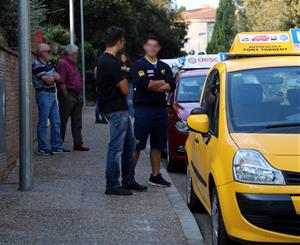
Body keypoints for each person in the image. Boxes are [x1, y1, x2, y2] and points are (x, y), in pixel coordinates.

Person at [97, 26, 147, 195]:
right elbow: (125, 89)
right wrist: (125, 79)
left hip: (117, 109)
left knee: (129, 145)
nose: (124, 43)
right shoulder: (111, 62)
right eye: (123, 41)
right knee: (116, 148)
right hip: (116, 109)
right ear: (119, 42)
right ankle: (112, 184)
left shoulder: (104, 60)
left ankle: (128, 180)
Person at [132, 36, 176, 187]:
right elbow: (145, 84)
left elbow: (171, 86)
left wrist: (155, 84)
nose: (152, 48)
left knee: (158, 144)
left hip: (160, 110)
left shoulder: (164, 66)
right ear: (145, 47)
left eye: (155, 46)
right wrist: (162, 82)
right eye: (149, 46)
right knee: (137, 144)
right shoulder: (139, 65)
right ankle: (128, 176)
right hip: (143, 109)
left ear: (158, 48)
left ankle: (155, 175)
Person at [32, 44, 70, 156]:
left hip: (52, 94)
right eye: (48, 51)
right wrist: (52, 77)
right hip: (43, 94)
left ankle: (56, 146)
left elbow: (58, 77)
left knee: (56, 122)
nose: (50, 53)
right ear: (41, 53)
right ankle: (42, 148)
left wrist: (51, 77)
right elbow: (48, 80)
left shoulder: (47, 64)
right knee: (43, 122)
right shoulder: (36, 65)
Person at [56, 44, 89, 151]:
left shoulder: (73, 64)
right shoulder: (63, 63)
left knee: (77, 121)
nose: (78, 55)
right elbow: (61, 81)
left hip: (77, 95)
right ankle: (58, 144)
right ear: (73, 53)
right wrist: (66, 95)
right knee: (62, 120)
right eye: (77, 53)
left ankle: (78, 143)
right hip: (69, 95)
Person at [120, 53, 134, 119]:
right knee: (123, 102)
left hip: (129, 84)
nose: (123, 58)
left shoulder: (131, 66)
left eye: (124, 57)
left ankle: (131, 117)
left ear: (127, 58)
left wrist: (126, 69)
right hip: (121, 85)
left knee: (129, 102)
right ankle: (124, 117)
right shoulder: (118, 66)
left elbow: (133, 75)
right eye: (122, 57)